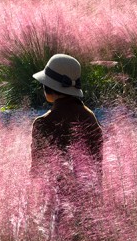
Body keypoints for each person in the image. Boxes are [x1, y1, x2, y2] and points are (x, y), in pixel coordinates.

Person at [30, 54, 103, 182]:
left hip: (55, 194)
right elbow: (97, 170)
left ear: (48, 87)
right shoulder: (91, 118)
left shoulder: (43, 123)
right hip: (91, 193)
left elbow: (37, 173)